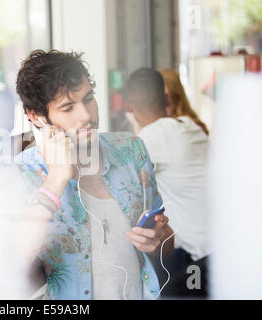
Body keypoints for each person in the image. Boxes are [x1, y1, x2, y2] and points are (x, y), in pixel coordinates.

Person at [14, 50, 174, 300]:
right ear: (36, 116)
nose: (86, 115)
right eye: (68, 108)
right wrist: (56, 179)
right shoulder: (21, 173)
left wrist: (161, 240)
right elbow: (14, 260)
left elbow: (165, 247)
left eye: (88, 98)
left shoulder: (132, 150)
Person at [124, 67, 211, 289]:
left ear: (129, 106)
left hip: (200, 259)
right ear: (166, 98)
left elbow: (122, 174)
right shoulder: (192, 127)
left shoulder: (150, 138)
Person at [158, 68, 209, 136]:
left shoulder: (191, 126)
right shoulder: (155, 126)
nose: (161, 102)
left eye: (165, 97)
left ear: (176, 96)